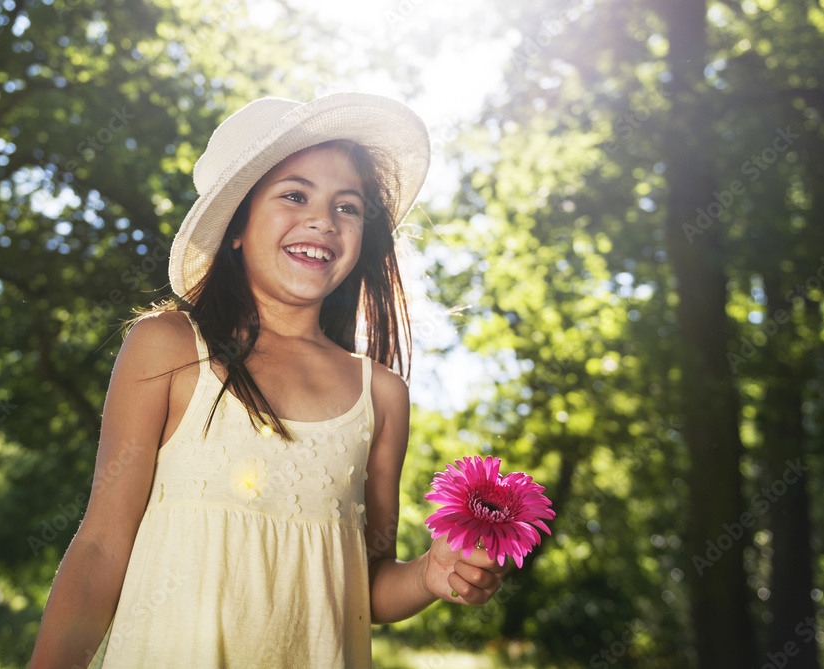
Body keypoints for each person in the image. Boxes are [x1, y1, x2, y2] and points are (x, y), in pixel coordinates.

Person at [30, 93, 509, 669]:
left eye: (348, 206)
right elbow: (103, 546)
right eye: (294, 194)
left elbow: (365, 583)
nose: (322, 220)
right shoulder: (169, 347)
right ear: (236, 227)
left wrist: (428, 576)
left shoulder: (380, 396)